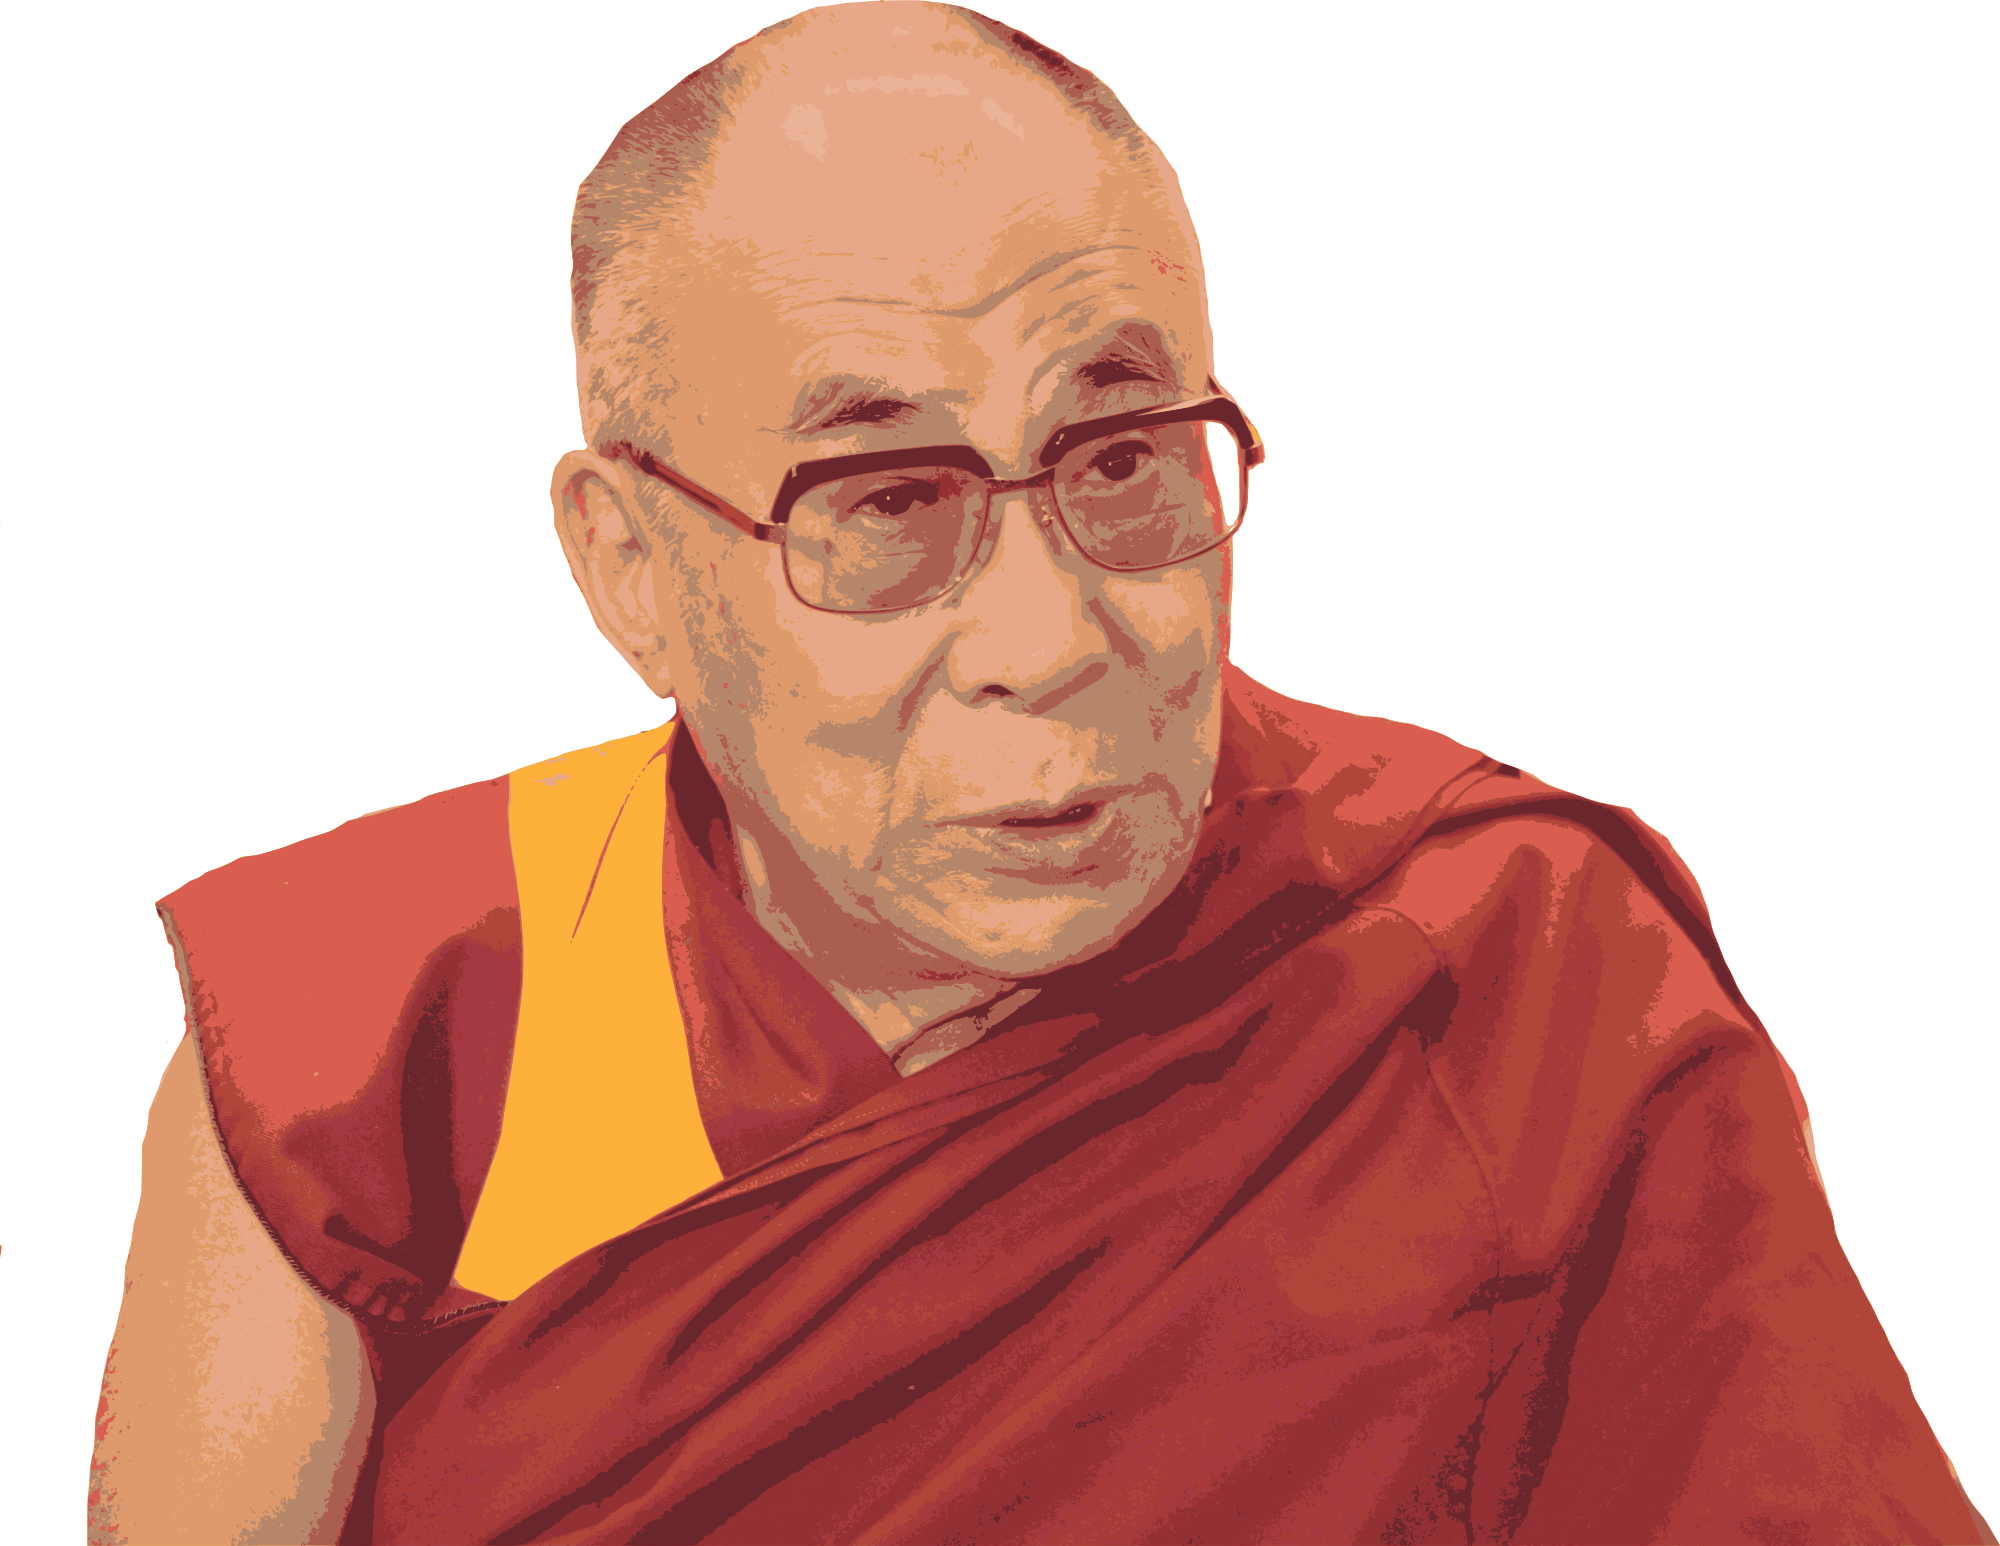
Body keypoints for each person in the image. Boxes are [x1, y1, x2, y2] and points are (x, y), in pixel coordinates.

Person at [90, 3, 1990, 1542]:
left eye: (1124, 457)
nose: (1053, 634)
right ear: (631, 571)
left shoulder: (1505, 960)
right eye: (882, 501)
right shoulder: (374, 1031)